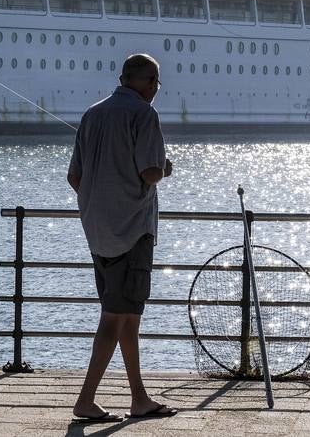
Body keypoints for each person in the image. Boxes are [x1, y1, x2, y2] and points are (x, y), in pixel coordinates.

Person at [66, 53, 178, 422]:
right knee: (115, 318)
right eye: (156, 84)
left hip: (97, 229)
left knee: (128, 316)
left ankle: (139, 398)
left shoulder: (93, 113)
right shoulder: (144, 114)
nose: (155, 91)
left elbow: (75, 178)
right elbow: (149, 173)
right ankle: (85, 400)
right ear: (148, 83)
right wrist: (164, 166)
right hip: (132, 230)